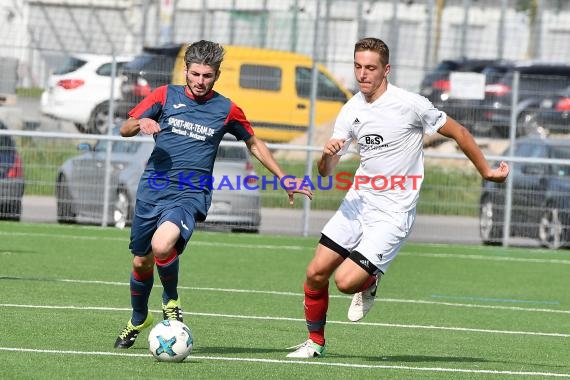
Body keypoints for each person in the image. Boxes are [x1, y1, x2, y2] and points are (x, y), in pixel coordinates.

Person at [286, 37, 510, 358]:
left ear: (386, 70)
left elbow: (458, 132)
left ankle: (369, 281)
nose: (362, 74)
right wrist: (326, 155)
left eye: (370, 68)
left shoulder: (410, 104)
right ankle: (315, 343)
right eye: (358, 67)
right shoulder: (351, 109)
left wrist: (486, 170)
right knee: (315, 273)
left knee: (345, 282)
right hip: (358, 202)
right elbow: (326, 172)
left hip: (393, 213)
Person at [114, 40, 313, 349]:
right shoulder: (165, 95)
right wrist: (141, 122)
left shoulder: (226, 108)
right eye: (195, 74)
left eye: (207, 76)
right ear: (186, 71)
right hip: (152, 190)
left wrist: (283, 176)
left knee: (162, 244)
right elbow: (124, 128)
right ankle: (139, 318)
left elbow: (254, 142)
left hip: (191, 193)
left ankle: (171, 299)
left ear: (217, 75)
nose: (200, 82)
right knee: (141, 263)